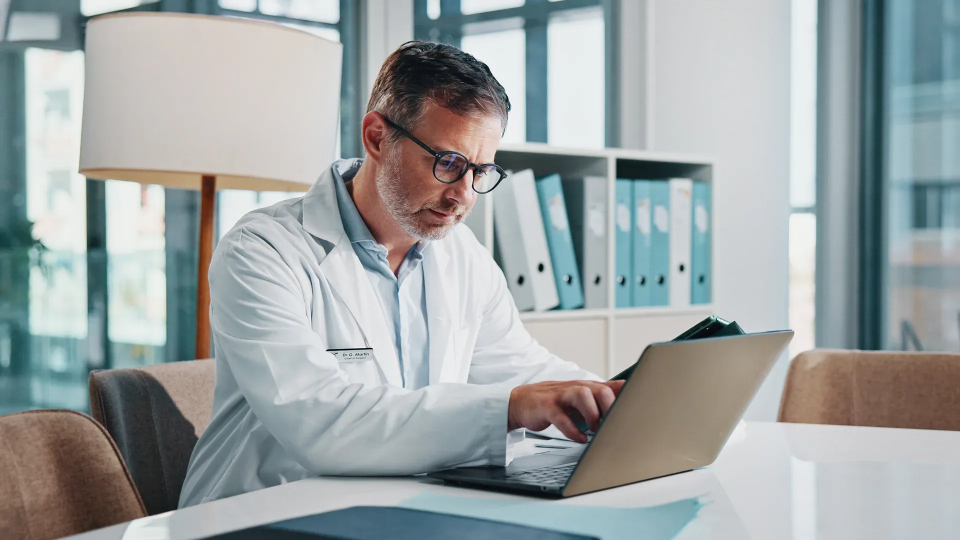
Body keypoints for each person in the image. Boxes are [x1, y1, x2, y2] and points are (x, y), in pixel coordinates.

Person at [178, 41, 624, 508]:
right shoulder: (262, 251)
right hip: (259, 513)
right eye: (448, 163)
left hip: (400, 506)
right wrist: (509, 407)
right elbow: (319, 422)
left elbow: (528, 369)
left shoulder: (462, 255)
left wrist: (618, 400)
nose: (464, 196)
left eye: (480, 171)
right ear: (376, 137)